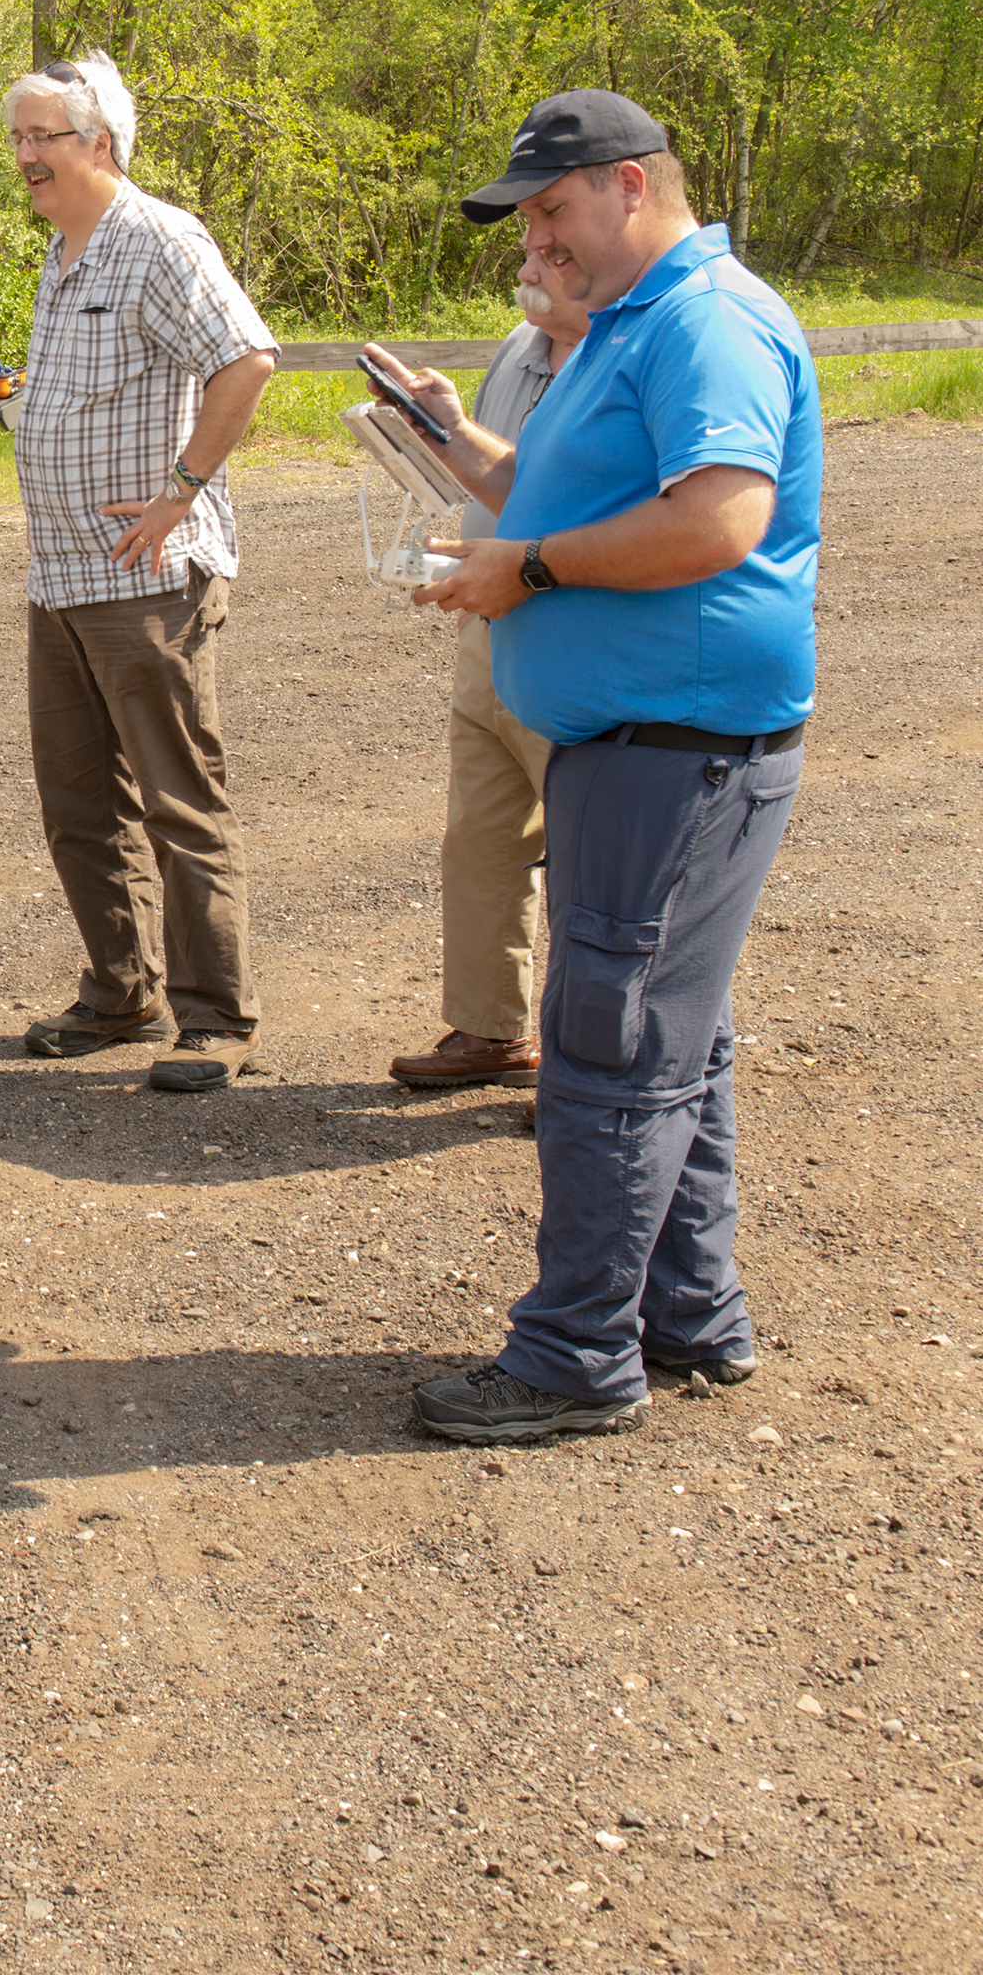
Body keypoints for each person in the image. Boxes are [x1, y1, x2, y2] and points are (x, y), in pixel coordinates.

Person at [393, 89, 819, 1444]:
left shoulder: (706, 319)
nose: (540, 237)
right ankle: (688, 1312)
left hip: (676, 749)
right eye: (529, 216)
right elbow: (569, 497)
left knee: (608, 1039)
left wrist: (530, 569)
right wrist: (457, 453)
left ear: (632, 187)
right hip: (643, 745)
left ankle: (579, 1352)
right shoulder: (631, 325)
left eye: (553, 209)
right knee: (672, 1032)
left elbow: (720, 517)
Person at [2, 53, 280, 1092]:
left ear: (101, 145)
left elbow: (247, 358)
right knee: (77, 802)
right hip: (61, 578)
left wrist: (182, 486)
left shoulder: (158, 238)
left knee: (177, 799)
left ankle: (216, 1018)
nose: (27, 158)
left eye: (45, 139)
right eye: (19, 140)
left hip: (147, 578)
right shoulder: (65, 250)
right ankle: (122, 992)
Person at [386, 243, 586, 1089]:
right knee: (482, 833)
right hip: (487, 615)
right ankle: (491, 1030)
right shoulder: (517, 345)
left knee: (587, 852)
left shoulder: (619, 364)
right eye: (529, 250)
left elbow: (584, 506)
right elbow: (488, 473)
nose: (530, 267)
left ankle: (589, 1068)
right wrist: (433, 424)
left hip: (573, 623)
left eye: (553, 252)